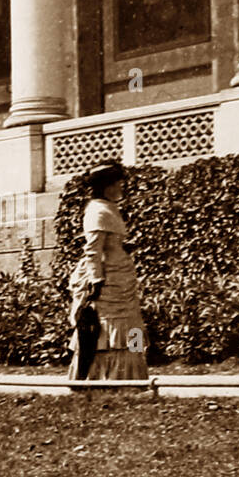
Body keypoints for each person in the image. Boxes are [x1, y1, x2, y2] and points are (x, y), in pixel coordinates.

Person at [67, 160, 148, 380]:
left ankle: (136, 373)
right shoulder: (97, 211)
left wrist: (123, 246)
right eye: (116, 184)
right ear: (105, 186)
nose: (120, 188)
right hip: (108, 280)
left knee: (132, 322)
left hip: (122, 277)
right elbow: (92, 250)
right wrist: (95, 280)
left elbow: (110, 242)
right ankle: (102, 377)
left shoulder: (110, 208)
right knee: (108, 326)